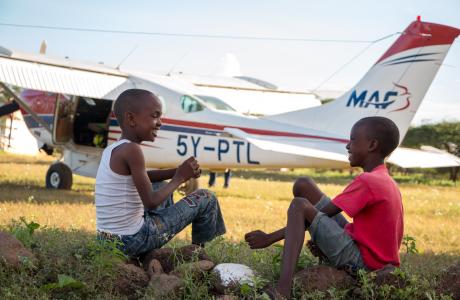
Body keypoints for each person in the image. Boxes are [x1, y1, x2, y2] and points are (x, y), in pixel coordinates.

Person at [245, 116, 403, 299]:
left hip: (365, 264)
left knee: (299, 206)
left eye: (353, 140)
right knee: (304, 185)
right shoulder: (383, 178)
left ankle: (283, 290)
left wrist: (269, 238)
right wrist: (322, 235)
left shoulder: (368, 181)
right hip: (366, 251)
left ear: (372, 145)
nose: (347, 146)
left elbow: (319, 214)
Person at [95, 89, 226, 258]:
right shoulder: (132, 149)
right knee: (207, 197)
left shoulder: (114, 148)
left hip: (107, 240)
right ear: (131, 118)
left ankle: (158, 251)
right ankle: (198, 255)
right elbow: (150, 202)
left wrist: (175, 171)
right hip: (133, 240)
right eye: (155, 116)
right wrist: (180, 177)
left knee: (159, 185)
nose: (160, 123)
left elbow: (142, 178)